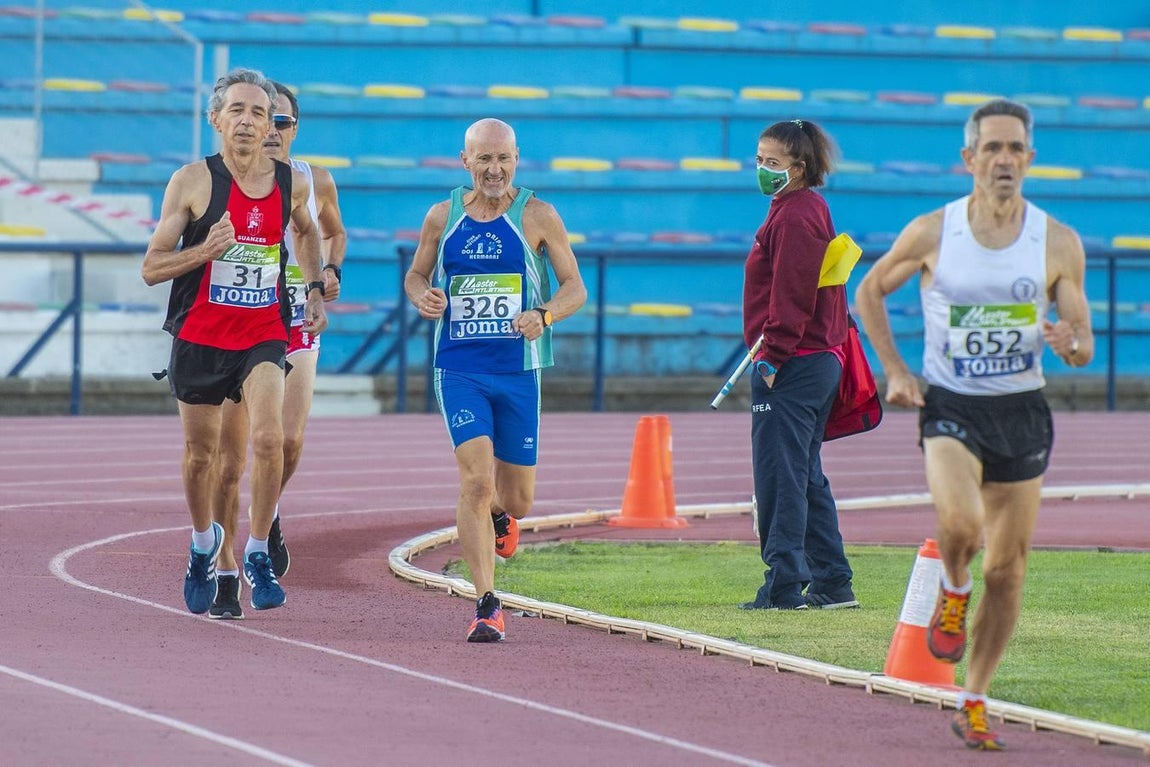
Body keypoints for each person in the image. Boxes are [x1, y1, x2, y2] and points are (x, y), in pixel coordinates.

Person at [854, 98, 1093, 750]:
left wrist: (1066, 338)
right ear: (969, 159)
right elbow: (868, 289)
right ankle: (951, 588)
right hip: (952, 404)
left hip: (1022, 410)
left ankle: (975, 697)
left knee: (1009, 570)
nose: (1005, 160)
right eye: (992, 148)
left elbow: (1081, 346)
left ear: (1031, 159)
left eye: (1016, 148)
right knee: (961, 527)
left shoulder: (1059, 242)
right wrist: (897, 371)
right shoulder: (934, 231)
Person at [141, 67, 328, 616]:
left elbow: (308, 231)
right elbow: (152, 268)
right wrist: (205, 251)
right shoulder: (192, 182)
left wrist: (313, 288)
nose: (248, 122)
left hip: (263, 332)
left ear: (272, 123)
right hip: (199, 337)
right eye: (238, 111)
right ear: (216, 119)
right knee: (203, 458)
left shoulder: (289, 181)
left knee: (269, 442)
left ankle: (255, 551)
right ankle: (203, 545)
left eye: (259, 113)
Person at [405, 117, 586, 642]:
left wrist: (545, 314)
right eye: (483, 159)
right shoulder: (442, 216)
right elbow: (417, 274)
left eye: (503, 158)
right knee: (476, 482)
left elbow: (575, 288)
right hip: (460, 368)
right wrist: (424, 296)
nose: (494, 169)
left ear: (516, 159)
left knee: (517, 498)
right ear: (465, 162)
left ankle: (504, 517)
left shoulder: (538, 215)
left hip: (518, 372)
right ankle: (486, 603)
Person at [208, 80, 347, 620]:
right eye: (267, 119)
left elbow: (332, 233)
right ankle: (222, 561)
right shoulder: (226, 177)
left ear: (291, 128)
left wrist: (327, 273)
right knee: (229, 456)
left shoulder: (312, 180)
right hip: (238, 321)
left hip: (294, 314)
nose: (272, 131)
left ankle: (267, 512)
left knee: (286, 440)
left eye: (283, 122)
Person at [740, 119, 859, 612]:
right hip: (814, 358)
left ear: (799, 167)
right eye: (760, 160)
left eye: (773, 163)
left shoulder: (793, 215)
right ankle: (832, 582)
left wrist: (772, 356)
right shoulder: (804, 207)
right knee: (804, 475)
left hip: (795, 361)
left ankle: (784, 584)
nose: (763, 170)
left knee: (780, 475)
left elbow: (791, 295)